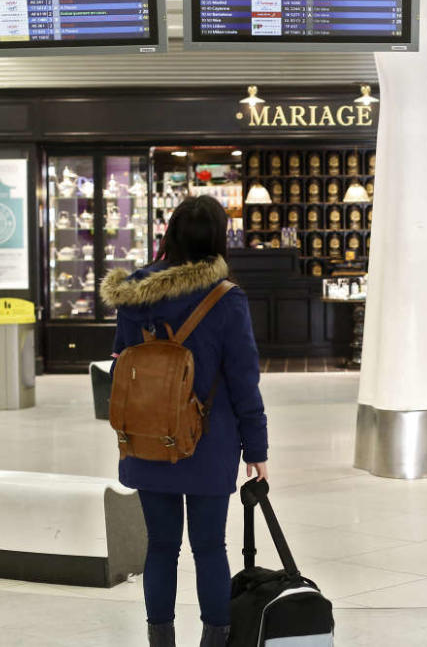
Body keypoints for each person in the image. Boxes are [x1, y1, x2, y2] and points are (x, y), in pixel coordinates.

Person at [100, 195, 268, 647]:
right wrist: (257, 449)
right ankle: (214, 641)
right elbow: (243, 380)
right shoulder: (226, 299)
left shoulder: (134, 296)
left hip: (147, 436)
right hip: (209, 442)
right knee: (210, 547)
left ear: (170, 235)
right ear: (218, 240)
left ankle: (161, 641)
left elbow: (121, 365)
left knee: (160, 546)